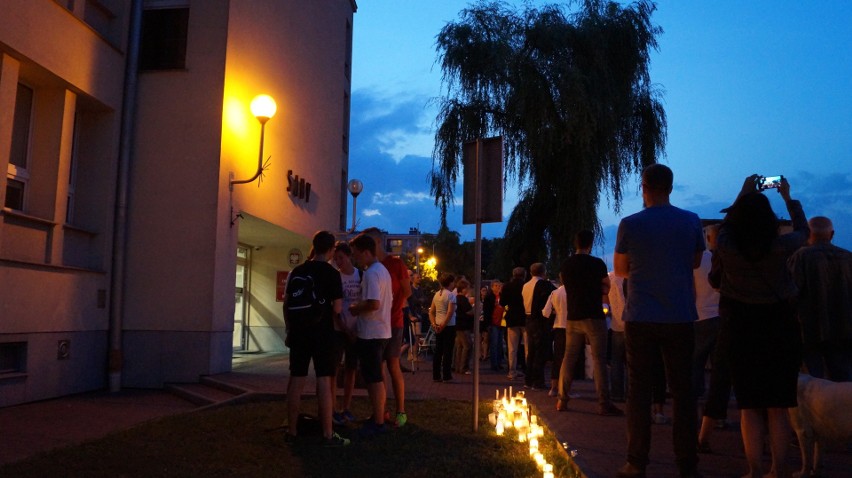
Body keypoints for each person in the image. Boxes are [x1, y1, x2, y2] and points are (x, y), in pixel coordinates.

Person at [713, 175, 807, 478]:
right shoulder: (782, 247)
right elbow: (804, 231)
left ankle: (754, 470)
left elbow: (724, 228)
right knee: (778, 406)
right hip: (780, 329)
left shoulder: (728, 247)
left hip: (741, 329)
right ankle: (779, 469)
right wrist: (788, 197)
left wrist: (742, 192)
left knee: (749, 406)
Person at [613, 164, 704, 478]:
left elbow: (621, 269)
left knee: (638, 390)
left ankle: (636, 461)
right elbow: (694, 261)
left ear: (644, 187)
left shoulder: (630, 224)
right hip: (679, 314)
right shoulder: (691, 221)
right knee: (683, 391)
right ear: (671, 186)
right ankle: (687, 465)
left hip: (641, 315)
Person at [283, 231, 348, 447]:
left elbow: (287, 304)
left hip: (299, 333)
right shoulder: (332, 273)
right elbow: (337, 308)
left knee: (296, 380)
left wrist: (289, 330)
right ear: (331, 250)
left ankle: (292, 429)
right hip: (323, 334)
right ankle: (328, 432)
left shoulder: (297, 271)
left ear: (313, 246)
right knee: (323, 380)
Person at [557, 230, 622, 416]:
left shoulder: (566, 265)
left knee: (569, 358)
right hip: (594, 316)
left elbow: (566, 284)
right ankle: (603, 403)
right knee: (599, 360)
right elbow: (606, 286)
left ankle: (562, 400)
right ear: (590, 244)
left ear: (575, 243)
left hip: (573, 316)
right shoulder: (597, 264)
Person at [788, 216, 852, 381]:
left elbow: (790, 293)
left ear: (808, 234)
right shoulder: (848, 257)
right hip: (843, 330)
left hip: (809, 330)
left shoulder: (800, 257)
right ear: (832, 234)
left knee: (812, 383)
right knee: (843, 381)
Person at [362, 228, 411, 428]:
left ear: (376, 242)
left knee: (393, 365)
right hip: (378, 324)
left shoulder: (395, 264)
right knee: (378, 367)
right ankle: (381, 411)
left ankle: (400, 411)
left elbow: (407, 291)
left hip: (393, 322)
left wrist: (393, 308)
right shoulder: (371, 267)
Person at [348, 233, 394, 437]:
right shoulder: (382, 271)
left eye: (356, 254)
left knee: (373, 378)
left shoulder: (371, 273)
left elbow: (374, 303)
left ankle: (378, 423)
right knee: (375, 376)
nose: (354, 258)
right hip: (381, 331)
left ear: (366, 252)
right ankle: (378, 414)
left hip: (371, 333)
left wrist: (356, 308)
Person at [698, 224, 733, 453]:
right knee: (721, 373)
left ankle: (700, 422)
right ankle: (719, 416)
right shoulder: (732, 258)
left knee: (695, 369)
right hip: (724, 318)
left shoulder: (699, 261)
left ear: (709, 237)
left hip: (699, 318)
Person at [330, 241, 361, 426]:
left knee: (351, 368)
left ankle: (346, 407)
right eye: (336, 258)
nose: (338, 261)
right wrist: (344, 327)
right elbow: (334, 308)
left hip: (356, 329)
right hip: (339, 329)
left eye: (341, 257)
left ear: (349, 256)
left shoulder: (361, 275)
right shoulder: (336, 277)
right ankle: (333, 407)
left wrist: (356, 328)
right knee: (334, 369)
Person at [522, 263, 556, 390]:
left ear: (531, 273)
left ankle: (528, 379)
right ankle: (538, 381)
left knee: (531, 350)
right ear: (543, 272)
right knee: (540, 351)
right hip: (539, 320)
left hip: (528, 318)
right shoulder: (545, 285)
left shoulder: (525, 286)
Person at [429, 273, 457, 382]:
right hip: (448, 326)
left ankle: (436, 375)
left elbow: (431, 312)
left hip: (437, 324)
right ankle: (446, 375)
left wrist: (434, 324)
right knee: (448, 351)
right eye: (453, 282)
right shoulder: (451, 295)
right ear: (450, 283)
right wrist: (444, 325)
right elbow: (450, 312)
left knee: (438, 351)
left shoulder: (436, 294)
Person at [501, 267, 527, 380]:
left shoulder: (507, 286)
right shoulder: (526, 286)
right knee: (527, 346)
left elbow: (503, 303)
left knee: (512, 347)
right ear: (524, 275)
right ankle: (529, 370)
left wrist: (508, 308)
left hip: (511, 317)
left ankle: (512, 371)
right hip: (524, 317)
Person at [542, 279, 567, 397]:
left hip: (558, 327)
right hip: (572, 327)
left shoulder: (555, 293)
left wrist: (554, 311)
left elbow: (545, 312)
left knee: (558, 358)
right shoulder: (574, 292)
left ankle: (553, 387)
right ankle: (565, 388)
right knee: (569, 359)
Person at [607, 272, 627, 403]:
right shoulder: (632, 275)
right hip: (633, 322)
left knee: (616, 361)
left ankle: (617, 392)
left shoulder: (610, 278)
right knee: (633, 361)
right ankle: (633, 392)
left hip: (616, 323)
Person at [453, 279, 474, 374]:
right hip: (464, 326)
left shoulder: (456, 298)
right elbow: (469, 312)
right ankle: (464, 367)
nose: (469, 290)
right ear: (463, 289)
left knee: (460, 346)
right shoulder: (463, 300)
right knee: (467, 345)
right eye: (467, 288)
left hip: (458, 325)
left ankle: (457, 366)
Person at [484, 280, 505, 371]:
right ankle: (494, 364)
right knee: (494, 343)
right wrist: (487, 323)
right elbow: (486, 310)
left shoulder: (502, 296)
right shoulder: (489, 297)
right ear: (492, 287)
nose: (498, 287)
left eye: (499, 285)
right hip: (493, 322)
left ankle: (499, 362)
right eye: (496, 285)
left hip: (501, 322)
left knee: (500, 343)